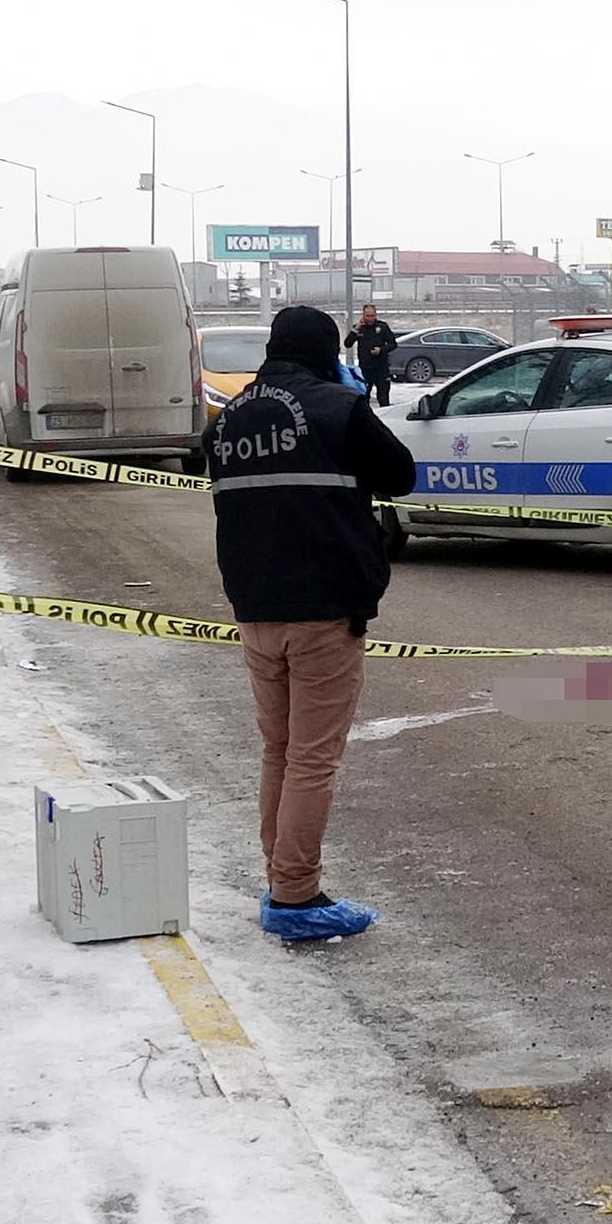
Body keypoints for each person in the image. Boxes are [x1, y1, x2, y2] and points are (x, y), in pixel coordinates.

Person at [203, 305, 418, 941]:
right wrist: (356, 407)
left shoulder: (229, 420)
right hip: (324, 610)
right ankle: (295, 896)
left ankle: (280, 878)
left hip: (256, 609)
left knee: (280, 750)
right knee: (313, 760)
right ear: (327, 349)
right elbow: (400, 475)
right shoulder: (334, 407)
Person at [351, 304, 399, 407]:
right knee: (364, 398)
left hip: (381, 369)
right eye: (368, 316)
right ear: (363, 315)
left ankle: (386, 420)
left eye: (372, 315)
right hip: (365, 369)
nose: (370, 318)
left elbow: (393, 344)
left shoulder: (382, 326)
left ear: (376, 315)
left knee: (383, 397)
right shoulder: (359, 328)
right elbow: (348, 343)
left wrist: (381, 350)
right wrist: (356, 329)